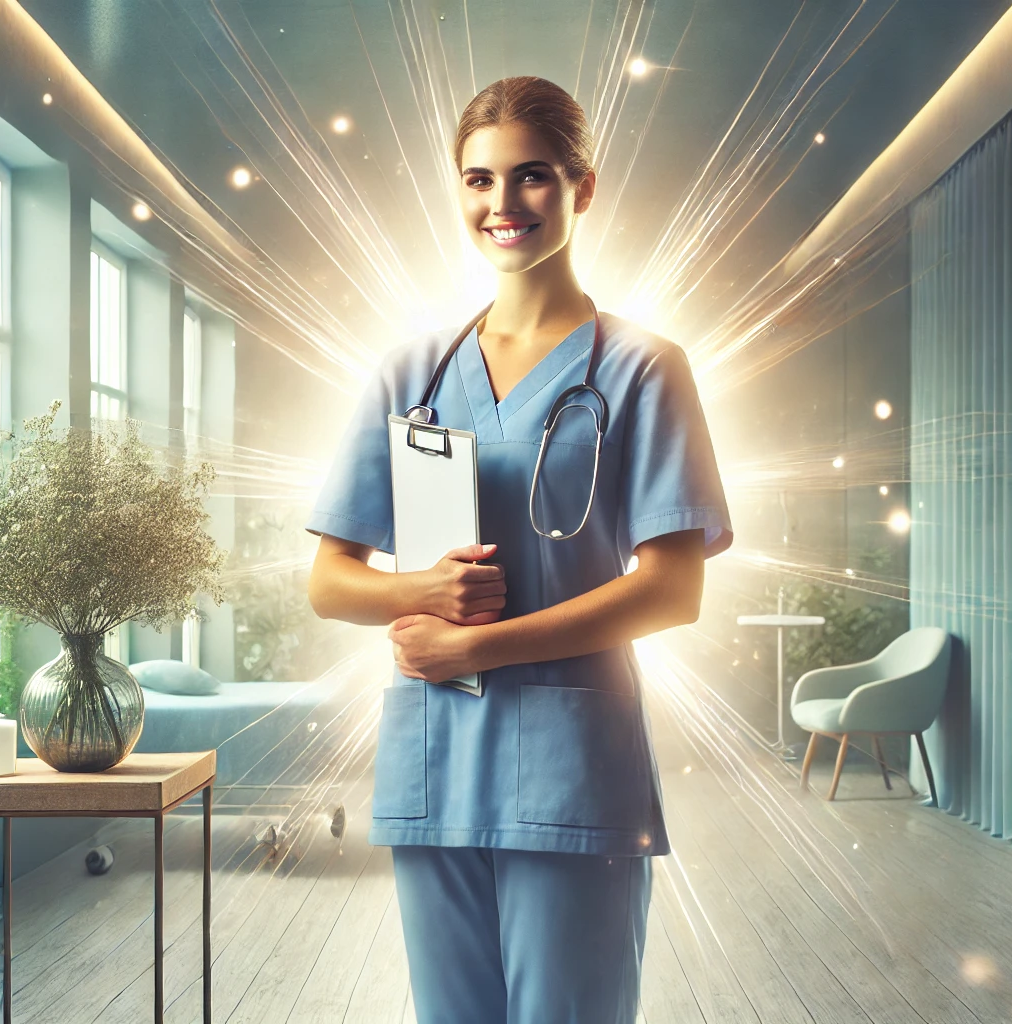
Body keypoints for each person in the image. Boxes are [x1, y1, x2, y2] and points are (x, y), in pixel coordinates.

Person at [306, 75, 733, 1024]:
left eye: (531, 177)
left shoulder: (642, 368)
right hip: (436, 760)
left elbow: (672, 591)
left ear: (583, 188)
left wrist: (479, 645)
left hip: (573, 773)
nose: (502, 206)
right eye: (478, 180)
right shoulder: (412, 372)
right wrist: (422, 594)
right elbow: (330, 582)